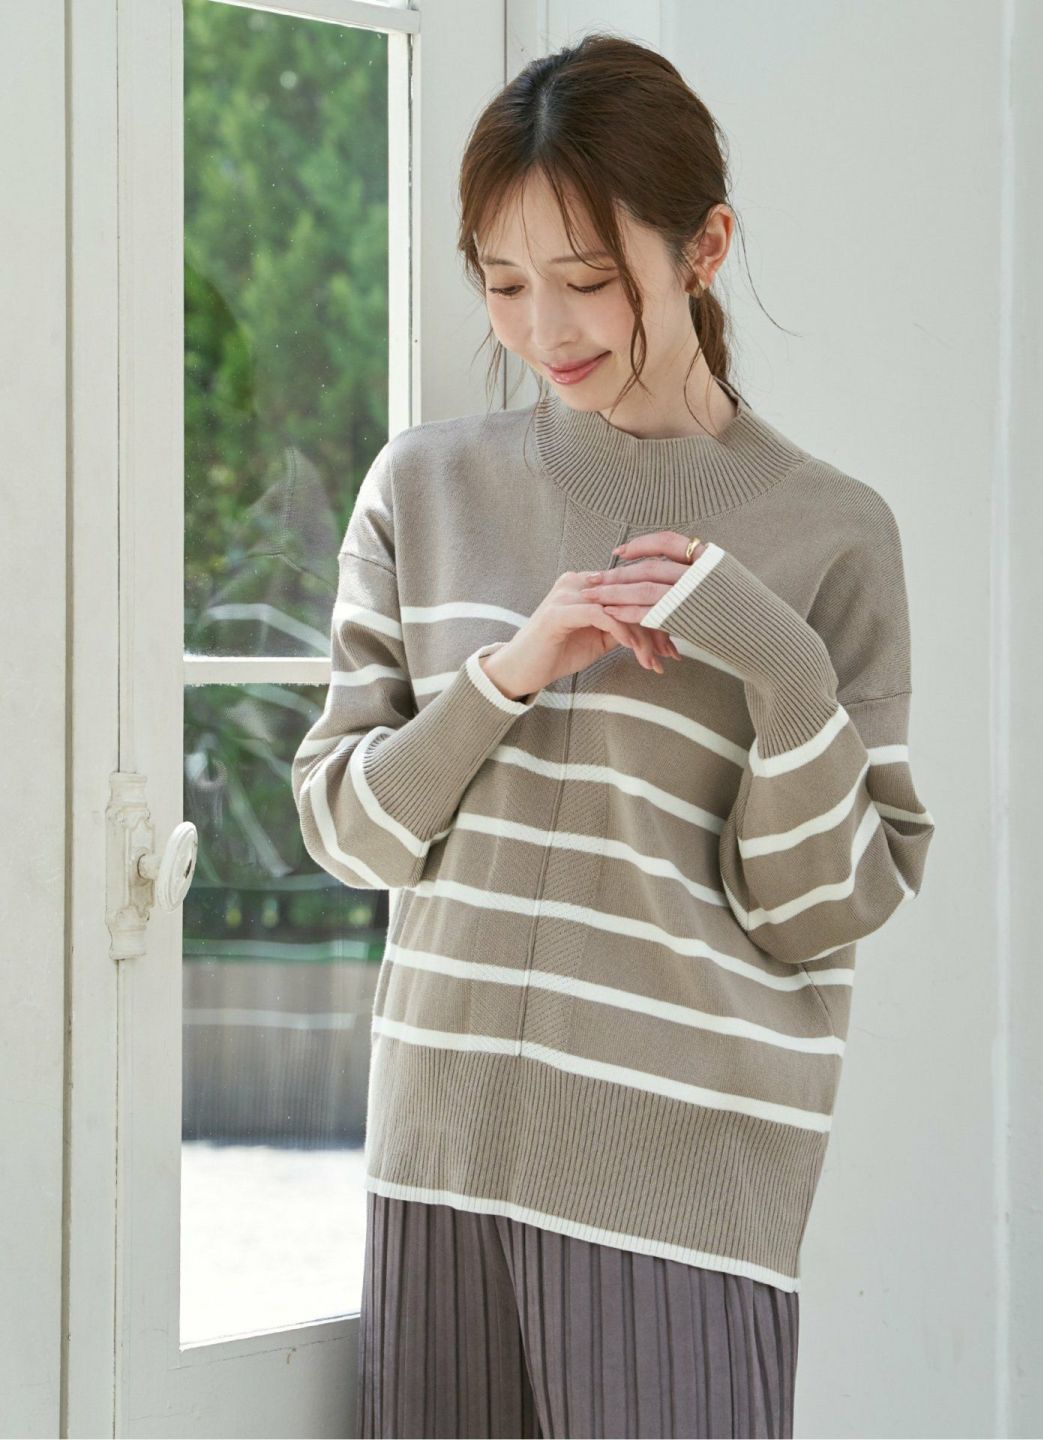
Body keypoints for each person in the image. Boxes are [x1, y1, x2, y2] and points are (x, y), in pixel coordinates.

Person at [291, 31, 935, 1440]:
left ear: (705, 248)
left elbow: (820, 910)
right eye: (503, 281)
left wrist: (783, 670)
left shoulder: (833, 533)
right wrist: (507, 675)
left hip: (682, 1188)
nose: (545, 327)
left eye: (586, 280)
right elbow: (350, 831)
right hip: (441, 1156)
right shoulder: (423, 489)